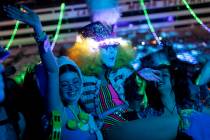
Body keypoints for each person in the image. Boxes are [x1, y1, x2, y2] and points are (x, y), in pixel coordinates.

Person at [4, 5, 102, 140]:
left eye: (75, 81)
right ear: (57, 87)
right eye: (65, 84)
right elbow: (52, 71)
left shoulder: (87, 111)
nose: (72, 87)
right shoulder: (59, 113)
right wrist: (38, 29)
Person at [67, 21, 161, 129]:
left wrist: (138, 77)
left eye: (114, 47)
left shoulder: (124, 72)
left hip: (133, 125)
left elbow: (139, 101)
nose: (112, 52)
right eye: (105, 48)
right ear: (90, 52)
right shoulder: (81, 80)